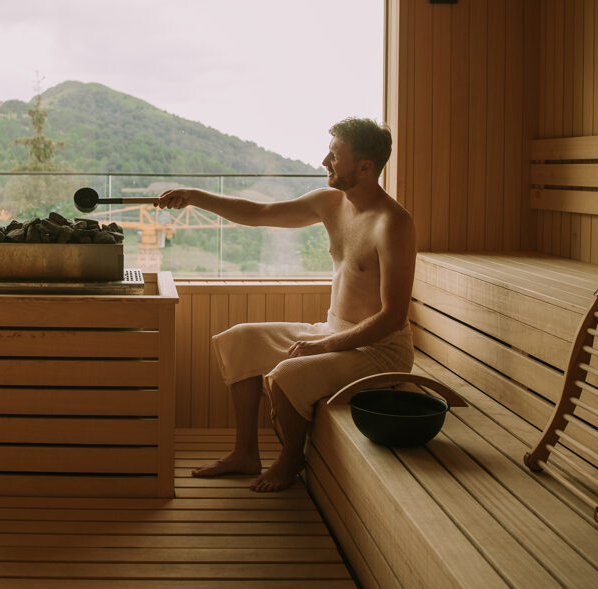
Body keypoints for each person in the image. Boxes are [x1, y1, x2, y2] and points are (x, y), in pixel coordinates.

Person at [154, 117, 414, 492]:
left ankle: (291, 459)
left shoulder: (393, 224)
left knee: (287, 374)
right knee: (240, 340)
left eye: (335, 156)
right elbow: (257, 215)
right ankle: (245, 453)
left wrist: (320, 346)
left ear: (365, 167)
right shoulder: (331, 203)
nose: (325, 161)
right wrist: (194, 195)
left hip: (380, 351)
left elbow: (392, 317)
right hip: (335, 330)